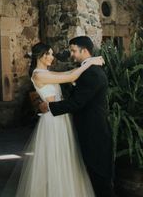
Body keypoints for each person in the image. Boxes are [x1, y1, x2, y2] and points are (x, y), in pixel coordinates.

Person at [12, 40, 104, 197]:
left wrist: (86, 65)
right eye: (50, 54)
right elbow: (71, 77)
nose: (52, 57)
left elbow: (69, 75)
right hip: (52, 121)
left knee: (65, 158)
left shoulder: (46, 73)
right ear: (41, 56)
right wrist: (91, 62)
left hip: (61, 118)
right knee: (55, 159)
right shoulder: (38, 74)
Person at [39, 36, 115, 197]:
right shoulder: (88, 69)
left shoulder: (92, 73)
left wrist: (50, 107)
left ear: (84, 50)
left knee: (99, 178)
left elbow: (76, 103)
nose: (71, 54)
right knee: (95, 176)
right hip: (92, 131)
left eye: (74, 51)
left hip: (94, 133)